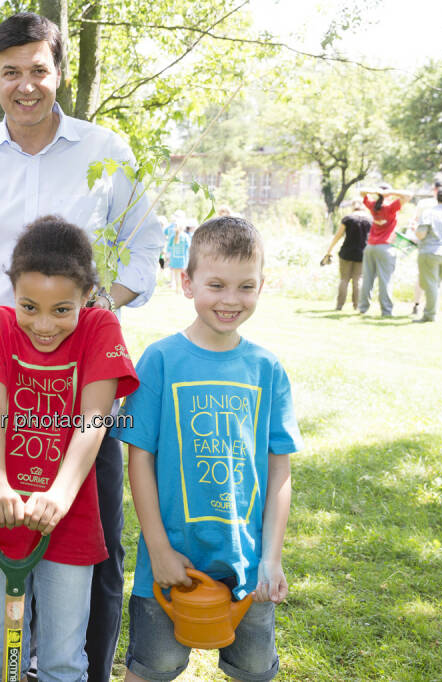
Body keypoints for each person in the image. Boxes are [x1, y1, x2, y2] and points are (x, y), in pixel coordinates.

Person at [0, 13, 163, 679]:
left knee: (90, 523)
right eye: (11, 72)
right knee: (0, 518)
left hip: (86, 369)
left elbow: (145, 248)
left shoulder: (106, 152)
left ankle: (77, 667)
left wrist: (86, 318)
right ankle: (8, 660)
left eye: (39, 69)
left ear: (58, 71)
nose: (26, 85)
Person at [112, 216, 301, 682]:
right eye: (215, 284)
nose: (230, 300)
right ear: (187, 282)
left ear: (261, 286)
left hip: (247, 564)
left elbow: (280, 473)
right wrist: (157, 548)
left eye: (245, 286)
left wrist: (270, 558)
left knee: (255, 670)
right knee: (152, 668)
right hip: (170, 560)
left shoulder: (267, 369)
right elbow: (140, 459)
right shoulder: (160, 360)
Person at [0, 217, 140, 681]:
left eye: (62, 309)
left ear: (87, 297)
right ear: (12, 293)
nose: (44, 325)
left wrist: (60, 495)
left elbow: (95, 418)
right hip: (3, 516)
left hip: (70, 518)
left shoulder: (101, 327)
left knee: (63, 658)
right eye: (30, 306)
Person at [358, 183, 412, 317]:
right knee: (385, 280)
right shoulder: (390, 207)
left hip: (370, 246)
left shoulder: (373, 206)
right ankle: (386, 311)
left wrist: (376, 191)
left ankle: (363, 308)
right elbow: (409, 195)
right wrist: (391, 192)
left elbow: (362, 192)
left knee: (367, 279)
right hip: (386, 246)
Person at [413, 186, 442, 322]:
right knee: (435, 285)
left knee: (430, 285)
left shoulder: (429, 213)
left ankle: (429, 315)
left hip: (430, 251)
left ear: (436, 198)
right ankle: (432, 310)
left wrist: (415, 232)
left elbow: (421, 234)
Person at [321, 200, 372, 311]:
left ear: (353, 207)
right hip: (362, 253)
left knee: (344, 279)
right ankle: (356, 305)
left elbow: (338, 235)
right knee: (357, 280)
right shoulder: (369, 220)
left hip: (346, 252)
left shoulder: (348, 219)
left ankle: (339, 306)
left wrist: (329, 250)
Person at [167, 223, 191, 293]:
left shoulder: (173, 236)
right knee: (182, 275)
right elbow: (189, 247)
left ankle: (178, 289)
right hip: (183, 259)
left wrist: (168, 255)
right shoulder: (185, 236)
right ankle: (181, 288)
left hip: (174, 259)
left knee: (176, 274)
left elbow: (169, 247)